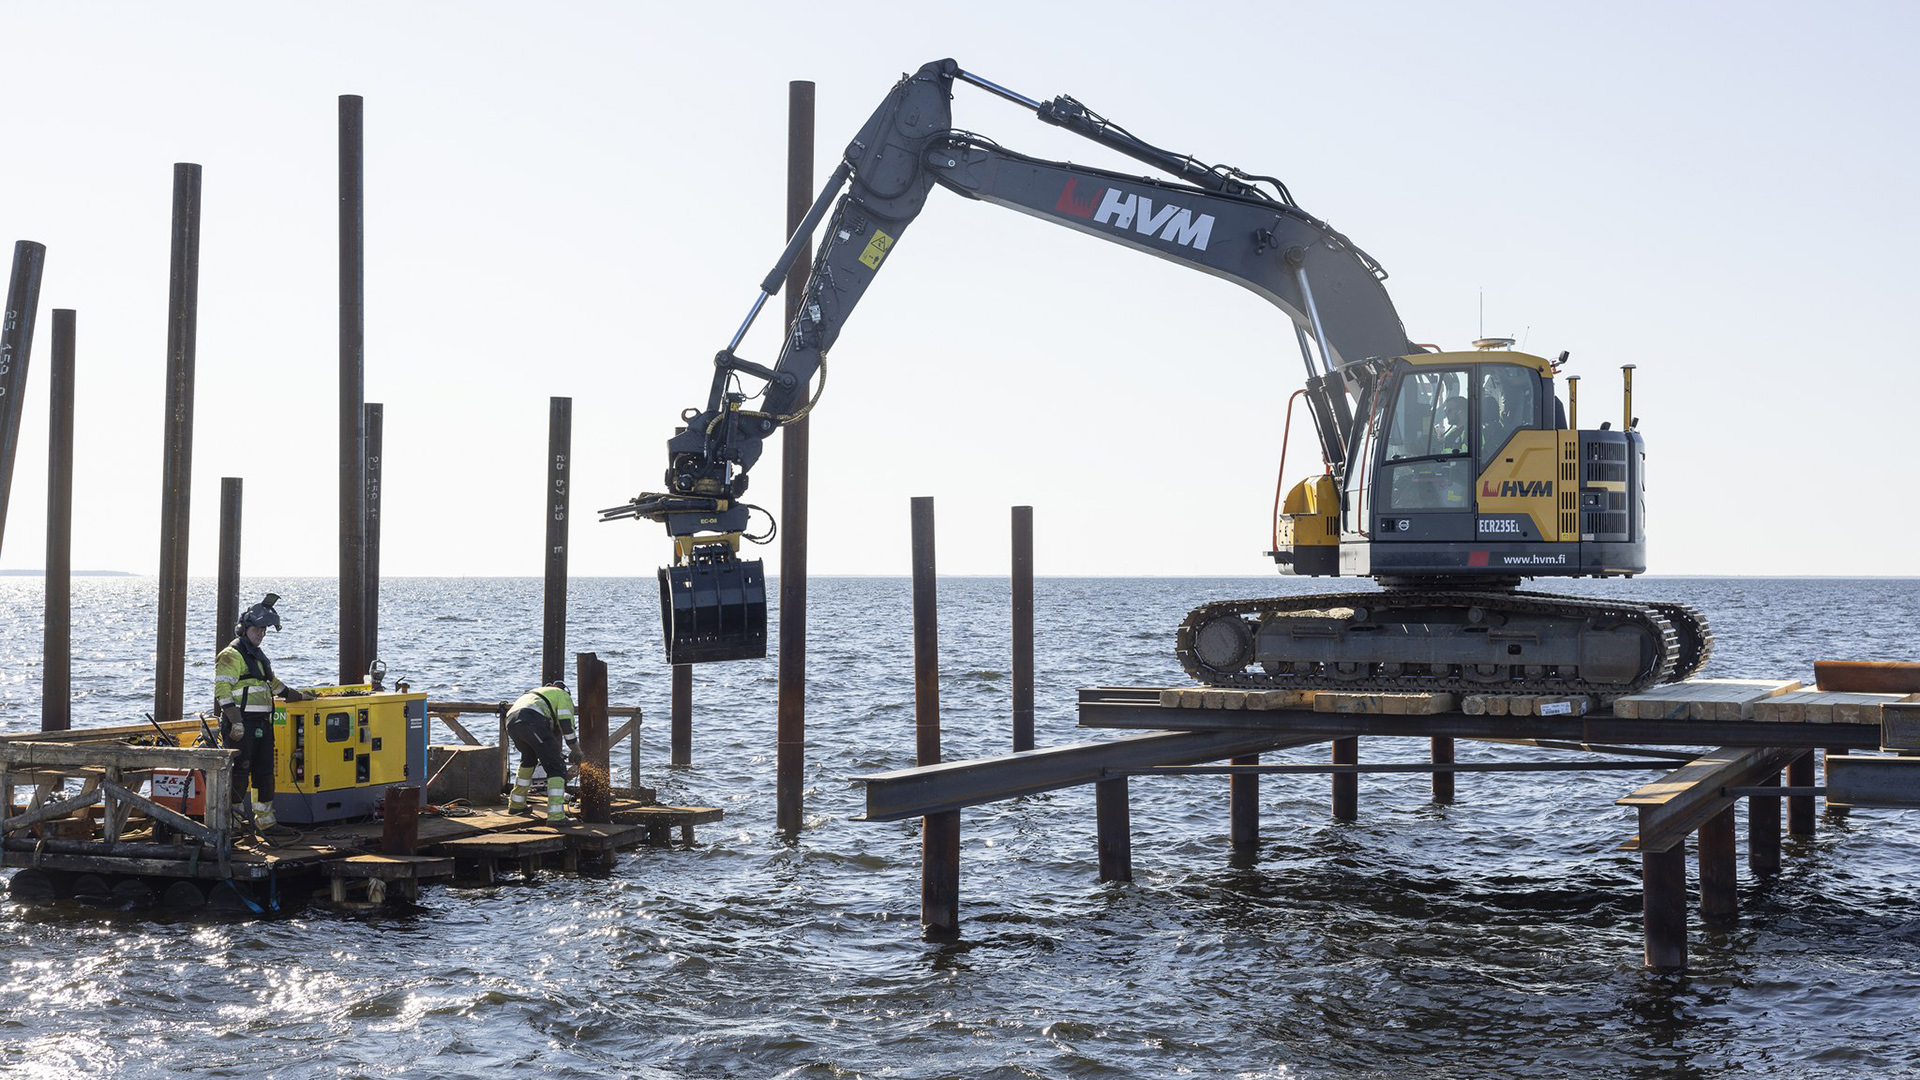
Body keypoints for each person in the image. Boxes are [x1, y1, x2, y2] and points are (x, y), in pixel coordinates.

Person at [213, 593, 313, 832]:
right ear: (244, 628)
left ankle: (266, 823)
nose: (261, 634)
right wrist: (234, 720)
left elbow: (274, 685)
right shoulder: (231, 655)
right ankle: (233, 824)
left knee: (265, 772)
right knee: (239, 772)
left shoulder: (258, 659)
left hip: (262, 724)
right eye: (257, 629)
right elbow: (222, 689)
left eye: (264, 631)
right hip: (242, 725)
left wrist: (300, 696)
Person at [505, 681, 581, 824]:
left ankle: (516, 804)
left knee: (528, 760)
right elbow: (566, 725)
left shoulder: (536, 693)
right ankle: (556, 816)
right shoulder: (562, 694)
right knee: (556, 767)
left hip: (512, 722)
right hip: (532, 721)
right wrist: (576, 750)